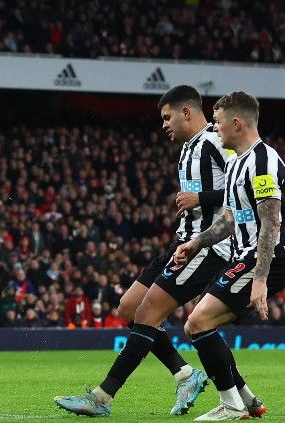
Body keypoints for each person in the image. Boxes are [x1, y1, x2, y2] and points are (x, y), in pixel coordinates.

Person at [55, 86, 265, 418]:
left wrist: (202, 199)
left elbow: (241, 186)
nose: (164, 124)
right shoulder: (187, 149)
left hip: (211, 246)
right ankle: (193, 377)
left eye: (167, 117)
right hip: (183, 241)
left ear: (186, 112)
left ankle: (102, 397)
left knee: (150, 312)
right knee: (129, 308)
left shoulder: (215, 140)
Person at [174, 91, 281, 420]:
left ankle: (232, 405)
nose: (215, 129)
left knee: (198, 322)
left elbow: (271, 222)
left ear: (236, 123)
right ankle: (246, 401)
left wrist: (260, 279)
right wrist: (196, 243)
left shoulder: (263, 161)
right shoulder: (235, 163)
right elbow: (231, 219)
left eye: (218, 123)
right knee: (198, 327)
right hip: (245, 257)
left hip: (269, 257)